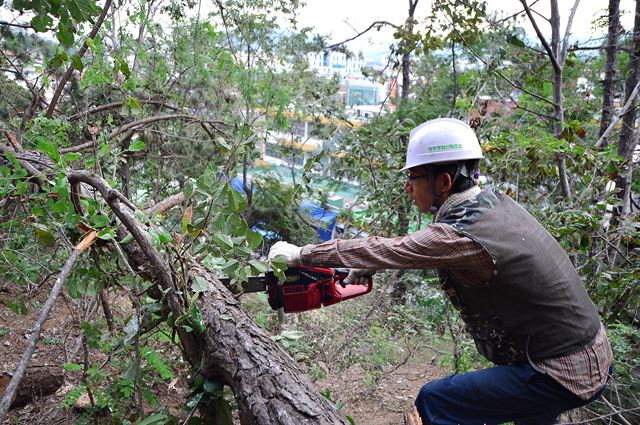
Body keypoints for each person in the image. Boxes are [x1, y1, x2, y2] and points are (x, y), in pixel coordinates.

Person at [268, 118, 612, 425]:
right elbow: (424, 252)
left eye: (413, 177)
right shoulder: (492, 203)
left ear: (444, 181)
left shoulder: (462, 234)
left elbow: (395, 248)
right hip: (587, 354)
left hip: (562, 371)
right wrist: (373, 262)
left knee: (436, 401)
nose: (408, 187)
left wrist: (302, 253)